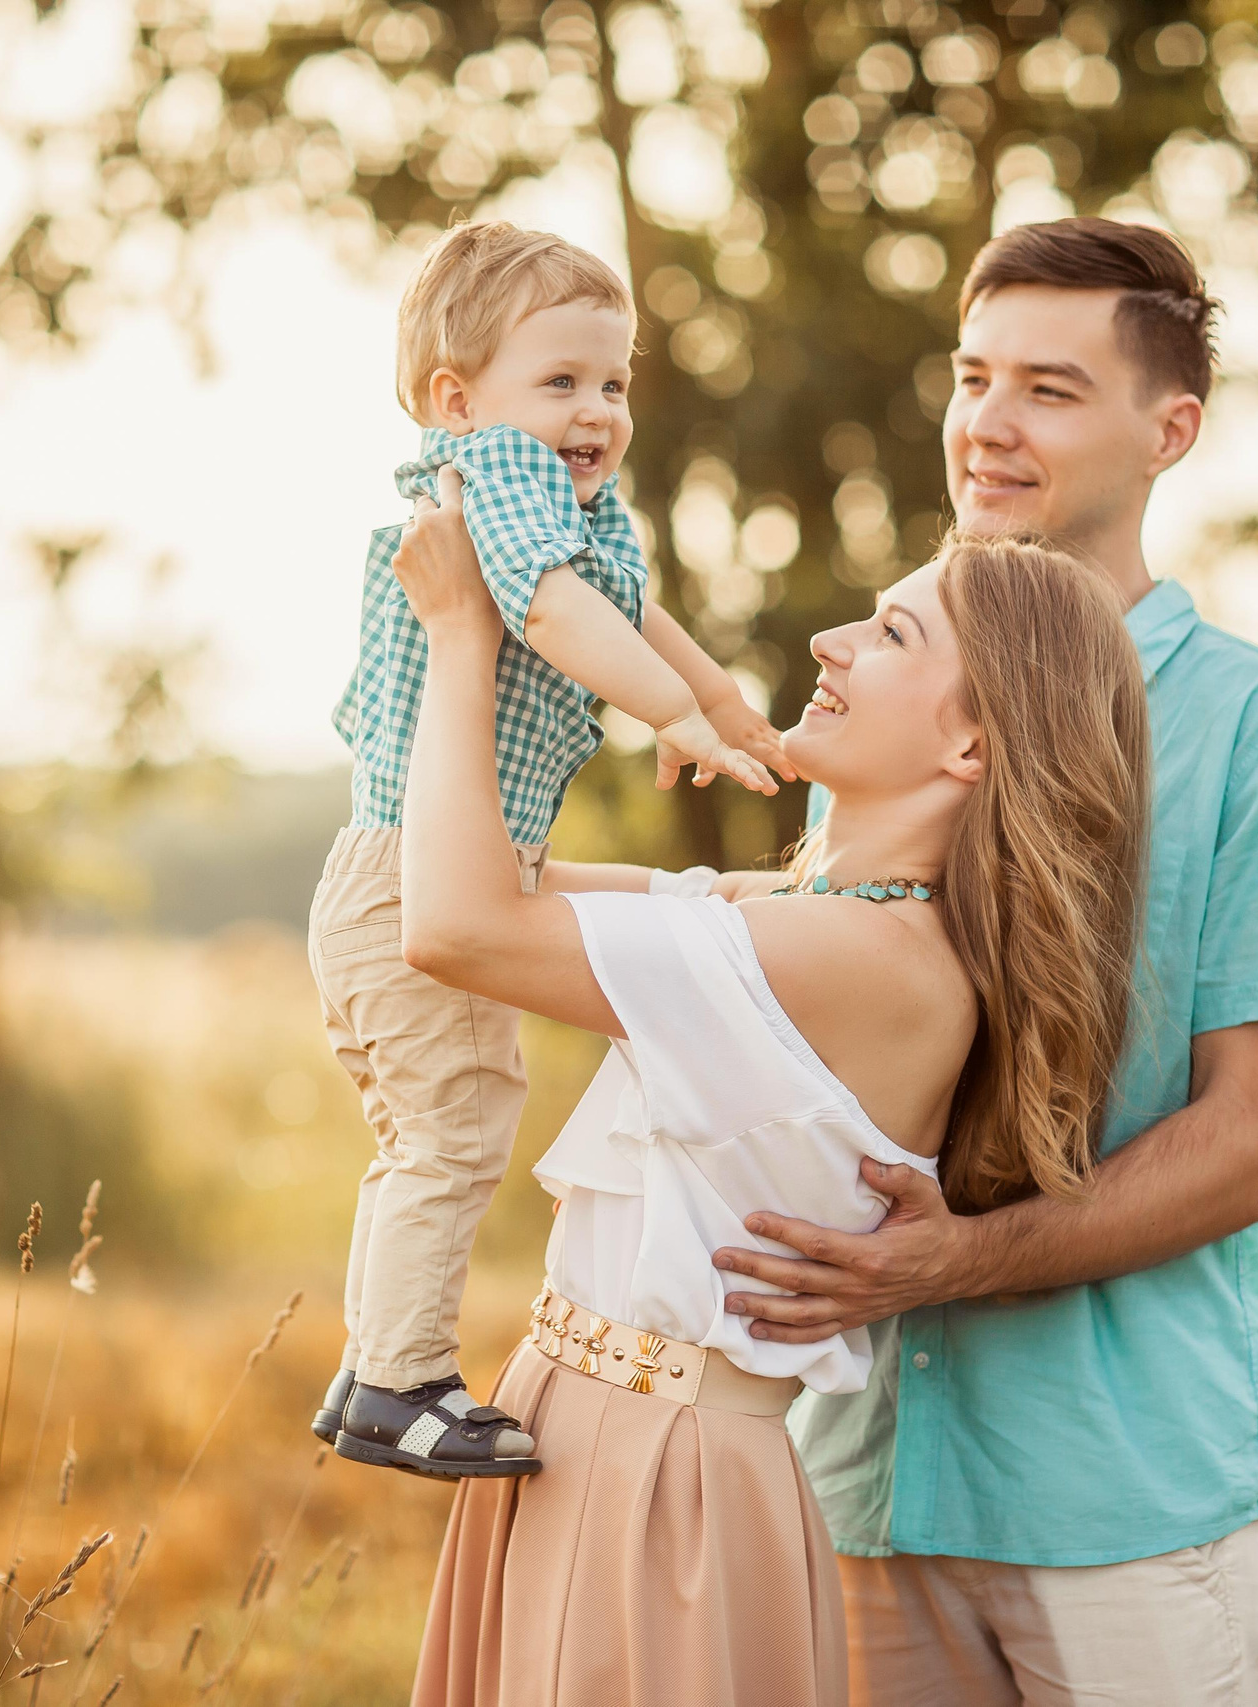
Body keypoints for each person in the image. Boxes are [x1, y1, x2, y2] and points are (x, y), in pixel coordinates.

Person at [712, 218, 1258, 1704]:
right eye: (973, 374)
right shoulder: (885, 699)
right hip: (861, 1476)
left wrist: (959, 1258)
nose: (987, 426)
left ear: (1169, 429)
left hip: (1125, 1496)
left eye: (1051, 390)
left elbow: (1251, 1138)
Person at [385, 493, 1153, 1705]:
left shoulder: (856, 960)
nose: (827, 646)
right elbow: (472, 871)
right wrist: (564, 606)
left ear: (970, 747)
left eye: (891, 636)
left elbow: (454, 924)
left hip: (663, 1484)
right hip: (587, 1432)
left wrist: (462, 632)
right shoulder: (805, 922)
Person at [309, 221, 789, 1481]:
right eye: (563, 381)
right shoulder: (493, 485)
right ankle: (398, 1382)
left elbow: (629, 602)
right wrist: (671, 713)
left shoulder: (559, 496)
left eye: (615, 382)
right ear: (456, 401)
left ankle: (372, 1364)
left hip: (432, 868)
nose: (598, 410)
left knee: (435, 1129)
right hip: (415, 876)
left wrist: (721, 701)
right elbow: (556, 610)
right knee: (454, 1135)